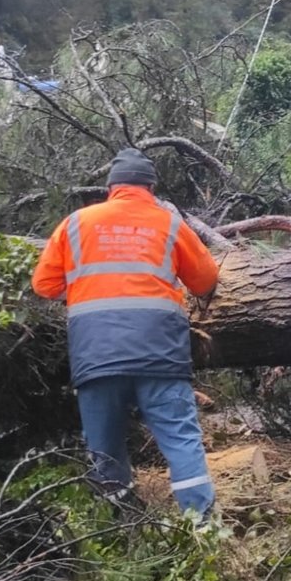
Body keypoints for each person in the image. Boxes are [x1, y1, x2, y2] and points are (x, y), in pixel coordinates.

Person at [32, 148, 220, 519]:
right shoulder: (167, 224)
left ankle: (123, 532)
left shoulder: (74, 224)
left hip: (96, 355)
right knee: (181, 442)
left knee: (105, 450)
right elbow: (206, 280)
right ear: (150, 187)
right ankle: (203, 532)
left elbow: (44, 285)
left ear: (111, 188)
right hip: (160, 354)